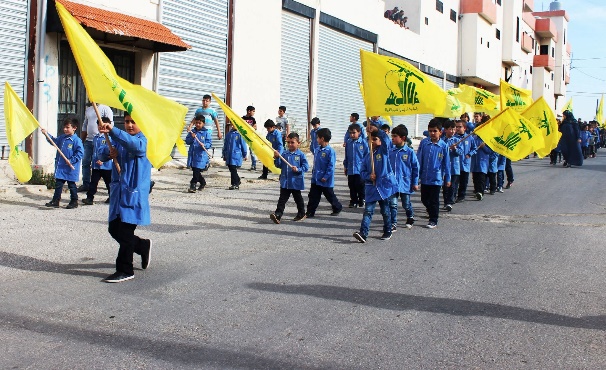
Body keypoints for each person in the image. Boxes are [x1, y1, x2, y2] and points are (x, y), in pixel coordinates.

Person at [98, 113, 151, 283]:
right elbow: (101, 154)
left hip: (133, 194)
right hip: (119, 194)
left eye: (134, 122)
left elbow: (135, 147)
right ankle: (142, 246)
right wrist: (108, 152)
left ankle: (125, 269)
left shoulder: (143, 141)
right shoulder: (121, 140)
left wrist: (113, 130)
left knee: (125, 232)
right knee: (114, 229)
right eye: (127, 121)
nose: (129, 125)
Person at [353, 127, 397, 242]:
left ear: (380, 141)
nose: (372, 141)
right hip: (371, 188)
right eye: (370, 139)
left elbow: (386, 140)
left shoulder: (384, 151)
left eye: (375, 139)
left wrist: (377, 131)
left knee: (385, 211)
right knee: (368, 211)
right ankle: (363, 233)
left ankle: (388, 230)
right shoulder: (367, 156)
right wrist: (369, 176)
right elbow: (362, 172)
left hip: (383, 187)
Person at [41, 119, 84, 209]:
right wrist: (46, 134)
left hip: (70, 168)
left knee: (71, 185)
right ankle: (56, 200)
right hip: (61, 167)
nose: (65, 129)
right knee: (58, 184)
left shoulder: (76, 140)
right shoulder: (62, 138)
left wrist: (71, 160)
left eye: (67, 127)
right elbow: (53, 141)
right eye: (64, 127)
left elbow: (80, 153)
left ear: (74, 128)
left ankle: (74, 201)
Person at [417, 119, 451, 229]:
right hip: (425, 177)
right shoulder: (424, 143)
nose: (432, 133)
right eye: (430, 131)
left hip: (436, 178)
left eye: (435, 131)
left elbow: (447, 164)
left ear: (440, 132)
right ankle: (430, 210)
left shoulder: (443, 146)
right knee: (424, 199)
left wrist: (447, 178)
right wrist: (417, 174)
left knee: (434, 200)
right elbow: (419, 159)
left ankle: (433, 219)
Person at [270, 132, 309, 224]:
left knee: (298, 198)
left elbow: (306, 167)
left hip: (295, 181)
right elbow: (279, 165)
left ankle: (301, 213)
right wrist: (276, 158)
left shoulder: (301, 155)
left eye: (292, 142)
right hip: (285, 181)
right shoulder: (284, 154)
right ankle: (278, 215)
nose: (290, 144)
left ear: (298, 143)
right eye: (288, 142)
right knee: (282, 199)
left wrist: (298, 169)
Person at [306, 128, 343, 218]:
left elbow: (331, 166)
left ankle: (337, 207)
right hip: (316, 178)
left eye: (317, 138)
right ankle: (310, 212)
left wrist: (326, 176)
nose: (316, 140)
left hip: (325, 179)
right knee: (313, 196)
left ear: (322, 138)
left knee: (329, 195)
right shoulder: (317, 149)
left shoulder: (330, 151)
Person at [389, 124, 419, 231]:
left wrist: (415, 182)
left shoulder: (409, 152)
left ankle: (410, 217)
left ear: (403, 138)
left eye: (395, 136)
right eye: (392, 136)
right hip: (393, 183)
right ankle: (393, 223)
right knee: (393, 204)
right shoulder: (391, 152)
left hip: (405, 183)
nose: (392, 138)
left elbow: (415, 168)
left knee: (406, 203)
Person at [79, 103, 113, 192]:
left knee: (102, 162)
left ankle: (109, 186)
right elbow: (85, 125)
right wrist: (81, 140)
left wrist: (108, 138)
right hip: (90, 140)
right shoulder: (89, 109)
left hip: (102, 140)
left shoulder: (106, 108)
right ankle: (86, 184)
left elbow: (110, 123)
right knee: (86, 162)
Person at [82, 116, 113, 205]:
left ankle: (112, 196)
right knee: (93, 182)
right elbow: (95, 150)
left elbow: (110, 151)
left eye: (102, 126)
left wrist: (104, 160)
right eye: (99, 126)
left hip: (106, 166)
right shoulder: (96, 137)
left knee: (109, 183)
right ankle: (89, 198)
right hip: (96, 165)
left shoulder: (109, 138)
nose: (100, 128)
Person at [343, 123, 369, 208]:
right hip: (351, 168)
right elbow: (346, 155)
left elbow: (367, 156)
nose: (352, 135)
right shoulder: (349, 143)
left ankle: (362, 199)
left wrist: (367, 168)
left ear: (359, 132)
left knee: (360, 185)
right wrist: (345, 166)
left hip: (360, 169)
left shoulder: (363, 143)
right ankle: (353, 200)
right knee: (352, 185)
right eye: (350, 133)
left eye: (354, 133)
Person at [186, 114, 212, 193]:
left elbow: (209, 143)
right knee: (195, 170)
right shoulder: (192, 132)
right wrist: (192, 137)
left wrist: (204, 145)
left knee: (196, 171)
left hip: (201, 156)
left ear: (203, 123)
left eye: (199, 123)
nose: (197, 124)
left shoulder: (206, 133)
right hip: (193, 155)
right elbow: (187, 141)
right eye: (196, 123)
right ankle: (203, 182)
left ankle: (193, 185)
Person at [442, 120, 463, 212]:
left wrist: (455, 149)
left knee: (452, 186)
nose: (453, 131)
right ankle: (446, 202)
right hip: (444, 168)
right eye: (451, 129)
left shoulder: (457, 141)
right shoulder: (442, 141)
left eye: (454, 129)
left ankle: (450, 202)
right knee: (445, 186)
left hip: (454, 167)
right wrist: (447, 149)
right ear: (445, 130)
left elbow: (461, 152)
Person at [453, 120, 477, 202]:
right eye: (456, 127)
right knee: (454, 183)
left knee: (463, 182)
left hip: (465, 164)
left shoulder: (469, 138)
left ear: (464, 128)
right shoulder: (454, 138)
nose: (458, 128)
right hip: (456, 164)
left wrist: (470, 154)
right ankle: (453, 196)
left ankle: (461, 196)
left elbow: (474, 148)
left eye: (460, 127)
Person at [222, 122, 248, 190]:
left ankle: (235, 184)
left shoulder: (240, 135)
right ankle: (238, 180)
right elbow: (225, 145)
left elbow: (243, 146)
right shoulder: (228, 134)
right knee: (231, 169)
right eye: (232, 125)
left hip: (236, 155)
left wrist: (245, 154)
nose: (233, 126)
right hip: (229, 155)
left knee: (233, 169)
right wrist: (224, 154)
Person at [242, 106, 257, 171]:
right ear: (249, 111)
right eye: (253, 111)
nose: (254, 113)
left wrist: (250, 128)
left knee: (252, 151)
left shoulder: (253, 119)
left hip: (251, 137)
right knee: (242, 149)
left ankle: (254, 165)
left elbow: (255, 127)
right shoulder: (242, 118)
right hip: (243, 136)